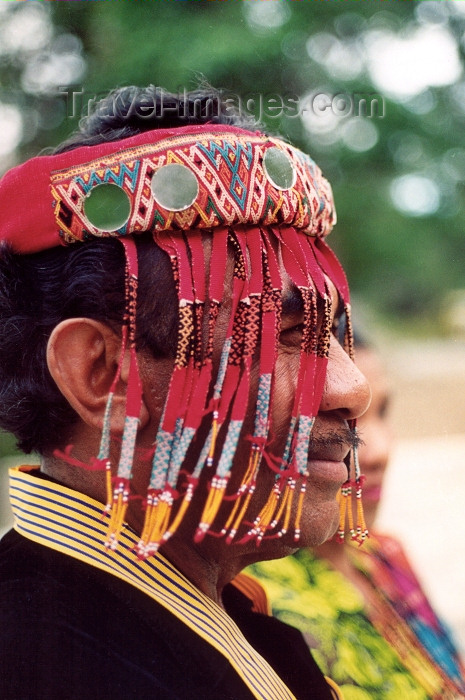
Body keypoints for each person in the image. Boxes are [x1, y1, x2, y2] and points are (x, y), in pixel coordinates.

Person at [0, 85, 371, 700]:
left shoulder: (171, 619)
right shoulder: (44, 664)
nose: (350, 387)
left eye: (332, 333)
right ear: (105, 378)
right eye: (285, 334)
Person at [250, 332, 465, 699]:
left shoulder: (385, 556)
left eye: (382, 412)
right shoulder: (253, 597)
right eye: (341, 419)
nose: (378, 451)